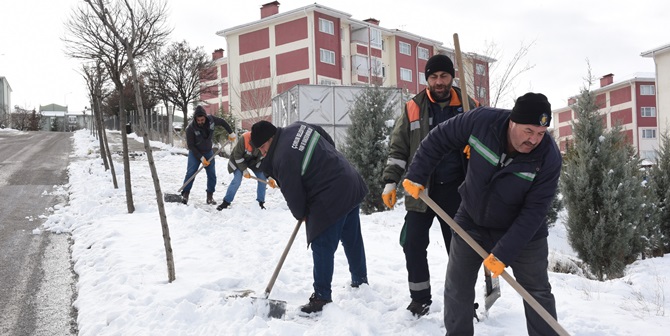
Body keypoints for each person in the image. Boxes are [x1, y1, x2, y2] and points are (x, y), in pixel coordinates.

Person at [402, 92, 562, 335]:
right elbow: (439, 138)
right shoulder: (482, 121)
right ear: (513, 121)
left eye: (540, 134)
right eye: (528, 131)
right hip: (472, 219)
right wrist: (417, 173)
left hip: (523, 232)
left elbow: (535, 211)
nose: (534, 140)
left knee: (536, 292)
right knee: (457, 287)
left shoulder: (548, 157)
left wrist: (504, 252)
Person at [381, 54, 478, 317]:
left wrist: (477, 149)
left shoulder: (471, 106)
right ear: (427, 79)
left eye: (443, 76)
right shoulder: (413, 107)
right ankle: (420, 298)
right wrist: (391, 181)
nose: (438, 81)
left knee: (459, 250)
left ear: (452, 77)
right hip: (420, 189)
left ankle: (464, 301)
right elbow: (399, 148)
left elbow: (492, 144)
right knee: (412, 243)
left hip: (458, 191)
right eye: (433, 77)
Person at [251, 120, 369, 314]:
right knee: (352, 237)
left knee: (322, 244)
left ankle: (321, 297)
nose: (263, 153)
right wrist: (326, 161)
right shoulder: (297, 127)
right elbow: (325, 136)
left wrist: (302, 213)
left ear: (270, 138)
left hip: (331, 193)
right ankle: (360, 281)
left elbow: (294, 195)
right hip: (348, 179)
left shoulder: (282, 157)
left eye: (262, 147)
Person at [181, 106, 235, 205]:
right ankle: (185, 194)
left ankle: (210, 196)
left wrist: (230, 132)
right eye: (198, 120)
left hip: (208, 151)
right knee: (191, 173)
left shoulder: (211, 120)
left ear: (205, 117)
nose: (200, 122)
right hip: (195, 153)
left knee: (212, 175)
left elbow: (222, 122)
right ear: (195, 119)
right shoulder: (190, 128)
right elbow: (191, 146)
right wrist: (201, 158)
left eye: (202, 119)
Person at [217, 131, 277, 210]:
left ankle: (260, 203)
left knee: (262, 179)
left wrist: (269, 177)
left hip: (253, 162)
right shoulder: (244, 138)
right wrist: (244, 170)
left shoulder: (265, 144)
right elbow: (237, 156)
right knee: (237, 180)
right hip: (238, 160)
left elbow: (264, 162)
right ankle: (226, 202)